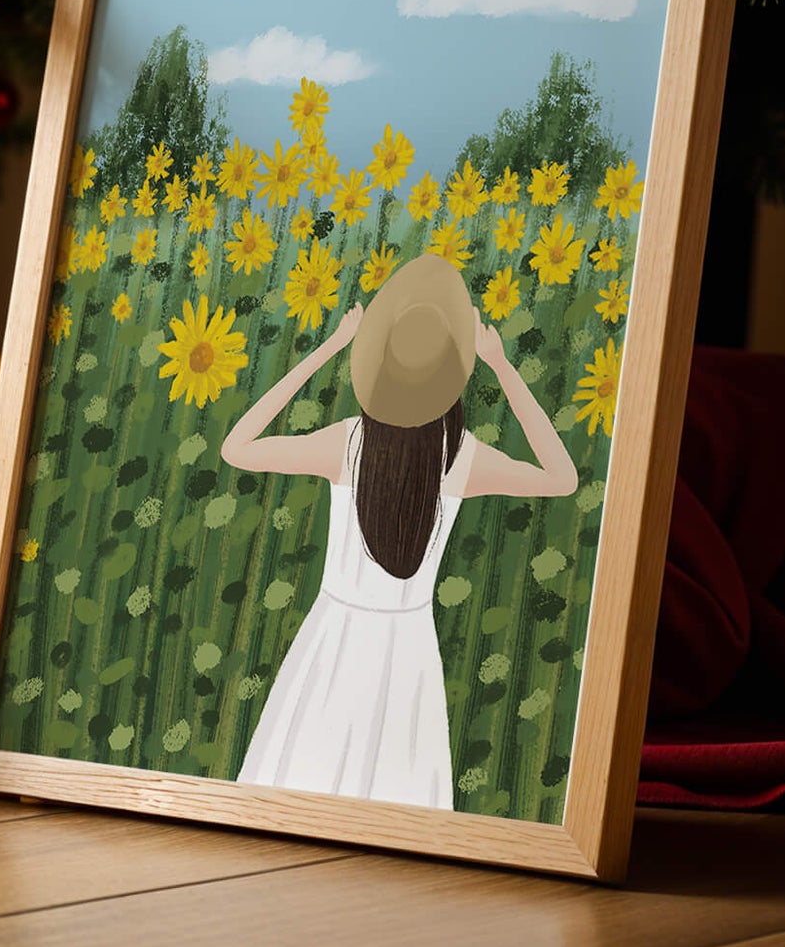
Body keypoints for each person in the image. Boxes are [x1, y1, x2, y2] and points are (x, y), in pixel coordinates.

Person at [220, 253, 578, 810]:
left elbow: (235, 447)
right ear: (451, 378)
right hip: (407, 651)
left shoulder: (345, 443)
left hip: (331, 639)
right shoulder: (459, 460)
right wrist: (502, 366)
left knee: (293, 792)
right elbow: (562, 478)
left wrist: (329, 348)